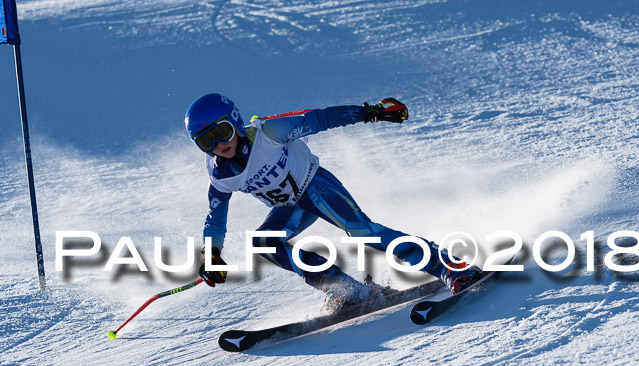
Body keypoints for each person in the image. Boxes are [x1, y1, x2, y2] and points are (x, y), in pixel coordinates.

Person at [184, 93, 482, 308]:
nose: (219, 145)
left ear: (234, 122)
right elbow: (215, 218)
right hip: (289, 207)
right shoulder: (219, 174)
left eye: (221, 132)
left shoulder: (269, 133)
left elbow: (319, 119)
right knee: (262, 242)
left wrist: (371, 112)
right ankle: (347, 290)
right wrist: (211, 255)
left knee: (364, 232)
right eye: (206, 142)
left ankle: (452, 267)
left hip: (316, 186)